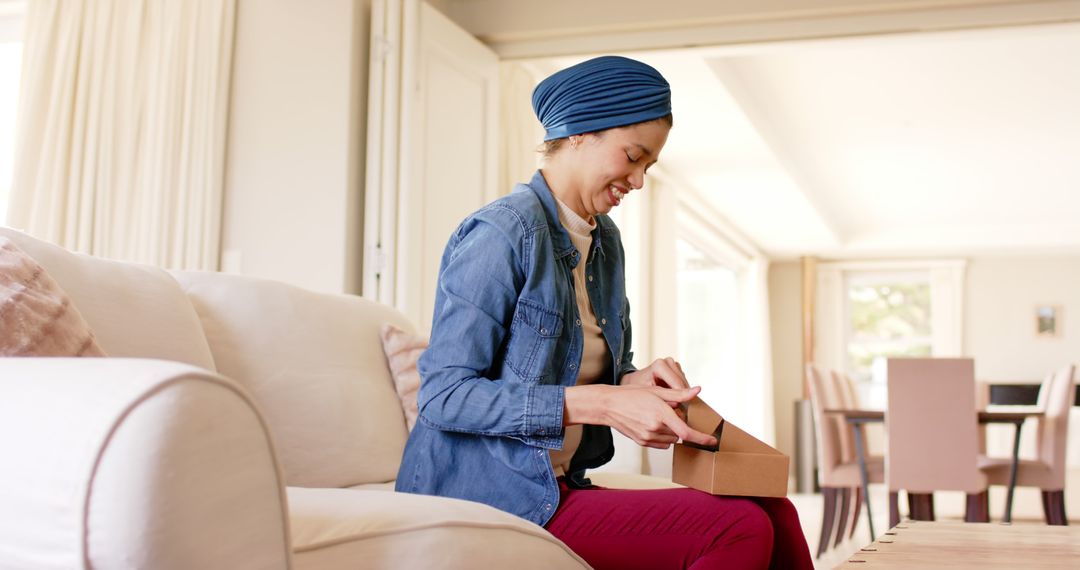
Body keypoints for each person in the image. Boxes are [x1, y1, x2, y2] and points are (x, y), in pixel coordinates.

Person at [396, 55, 813, 570]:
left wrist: (634, 383)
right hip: (484, 494)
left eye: (649, 167)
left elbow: (592, 369)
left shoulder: (605, 241)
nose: (638, 181)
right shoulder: (502, 232)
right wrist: (601, 404)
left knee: (774, 507)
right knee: (736, 528)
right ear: (576, 133)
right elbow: (443, 396)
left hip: (555, 483)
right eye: (633, 157)